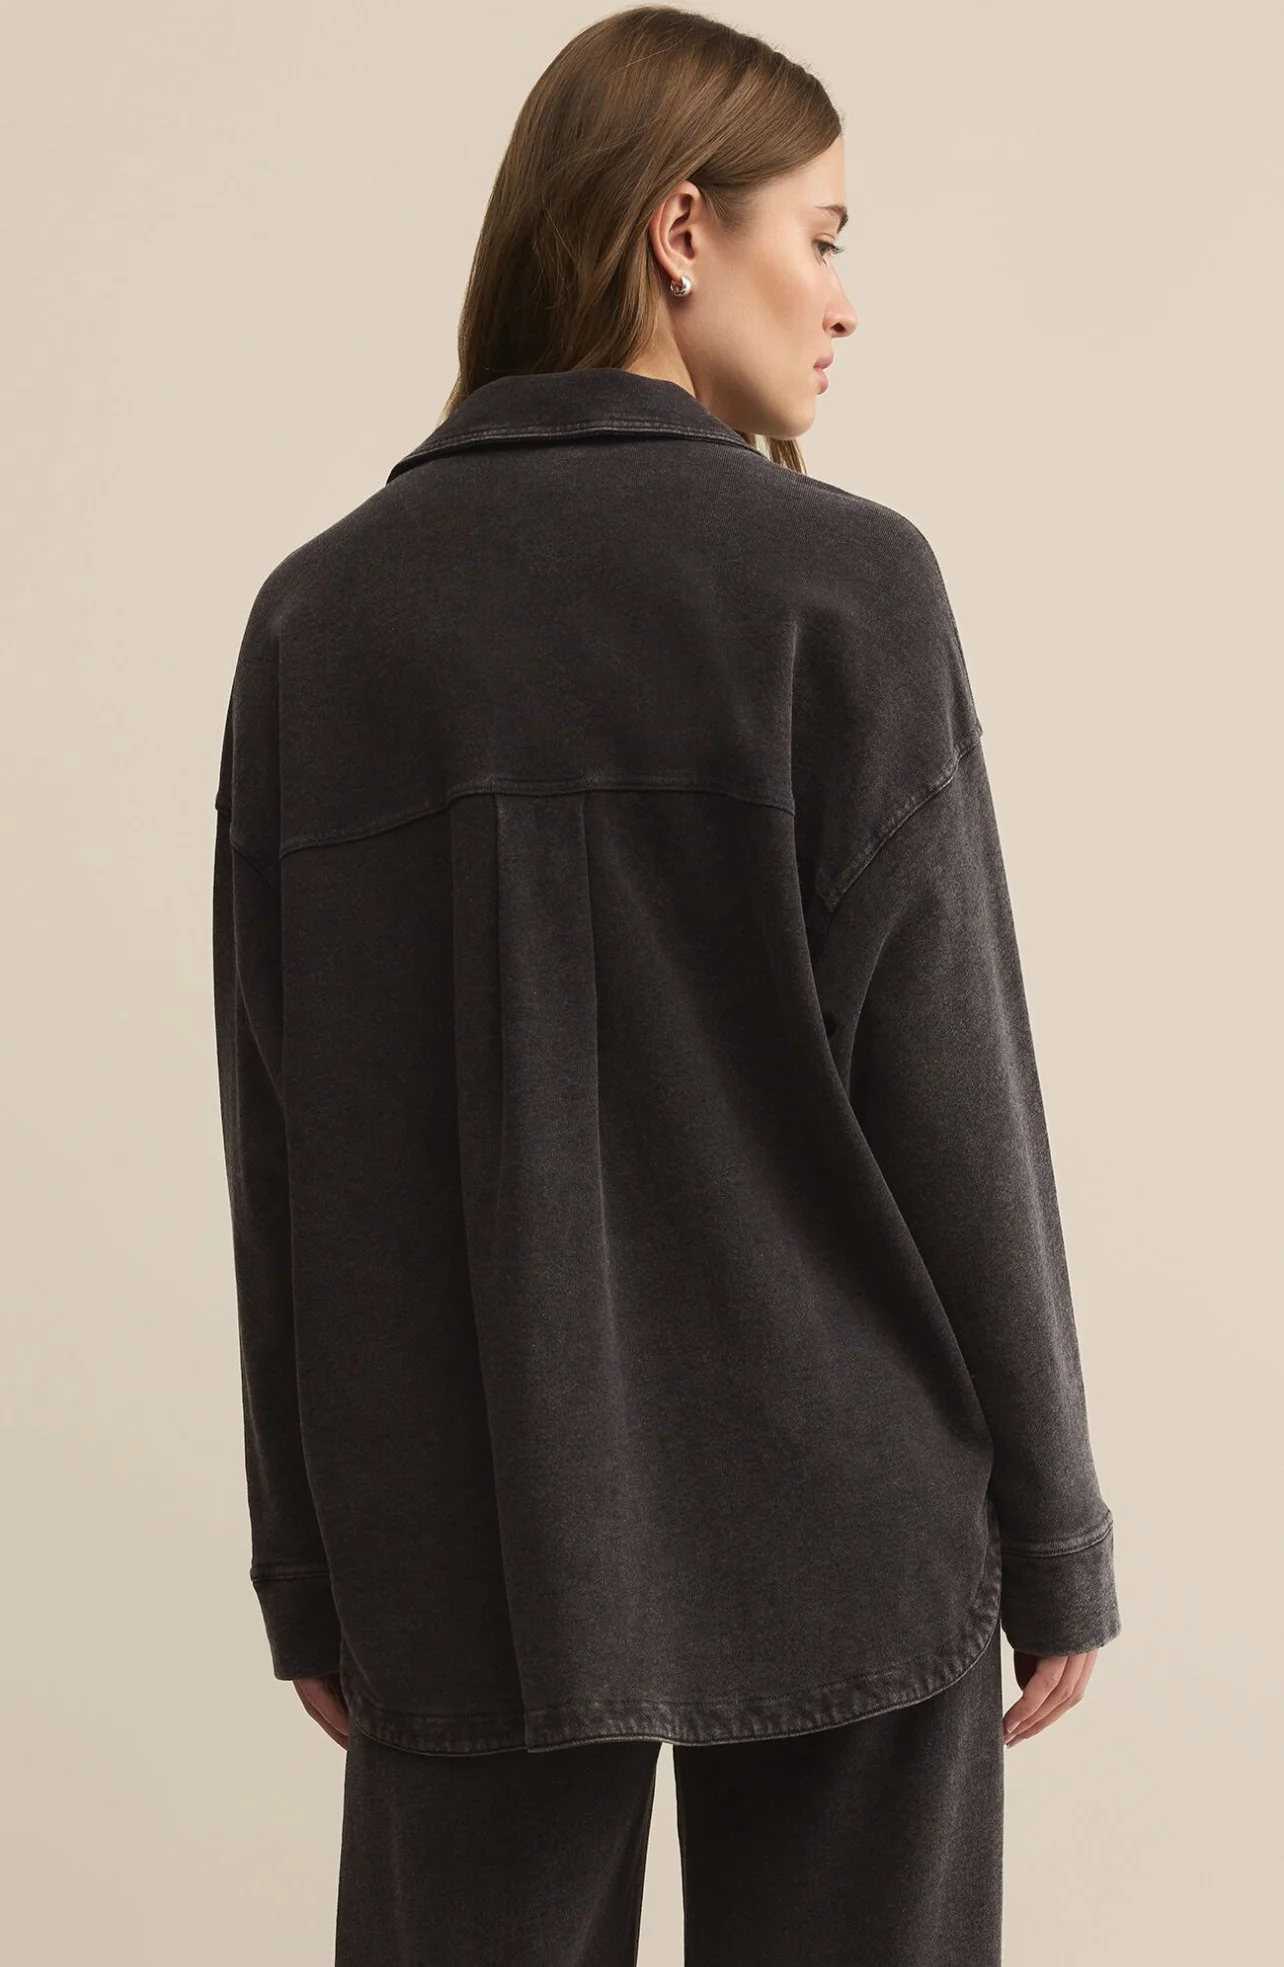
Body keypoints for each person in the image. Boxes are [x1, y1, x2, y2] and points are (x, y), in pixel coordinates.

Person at [211, 7, 1122, 1962]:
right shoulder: (841, 589)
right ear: (683, 229)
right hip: (851, 1500)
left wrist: (309, 1563)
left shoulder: (319, 625)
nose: (848, 300)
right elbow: (955, 1093)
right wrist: (1057, 1527)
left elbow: (280, 1144)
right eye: (828, 233)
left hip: (466, 1521)